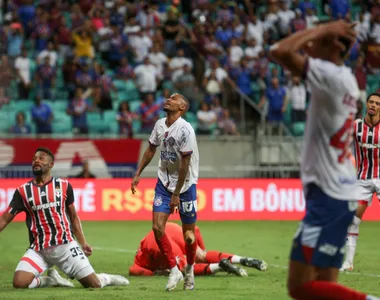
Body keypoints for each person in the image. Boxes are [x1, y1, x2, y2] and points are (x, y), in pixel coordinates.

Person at [270, 20, 380, 299]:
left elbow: (279, 51)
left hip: (328, 199)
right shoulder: (346, 79)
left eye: (316, 41)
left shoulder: (329, 74)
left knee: (299, 287)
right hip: (340, 195)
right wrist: (324, 34)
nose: (308, 45)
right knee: (325, 286)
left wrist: (322, 29)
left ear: (331, 44)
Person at [0, 148, 129, 289]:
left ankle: (107, 278)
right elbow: (5, 219)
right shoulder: (23, 192)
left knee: (94, 284)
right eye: (34, 159)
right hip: (39, 249)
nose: (36, 160)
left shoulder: (63, 186)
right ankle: (51, 281)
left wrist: (83, 242)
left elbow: (73, 217)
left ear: (51, 164)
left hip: (66, 246)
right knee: (19, 283)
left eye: (41, 158)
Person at [131, 93, 199, 291]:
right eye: (169, 97)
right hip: (164, 181)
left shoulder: (186, 130)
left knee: (188, 234)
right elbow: (151, 149)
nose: (169, 99)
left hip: (185, 185)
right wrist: (138, 173)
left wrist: (177, 194)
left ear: (182, 108)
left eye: (174, 99)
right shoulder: (160, 124)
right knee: (157, 227)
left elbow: (185, 163)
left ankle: (190, 269)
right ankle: (174, 270)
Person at [129, 222, 267, 277]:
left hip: (159, 243)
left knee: (185, 269)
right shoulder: (143, 251)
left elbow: (133, 270)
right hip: (171, 228)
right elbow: (196, 230)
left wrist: (156, 274)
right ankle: (241, 259)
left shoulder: (143, 260)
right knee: (201, 255)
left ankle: (219, 266)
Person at [341, 93, 380, 272]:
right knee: (353, 221)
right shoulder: (356, 126)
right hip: (362, 179)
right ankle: (348, 263)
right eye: (371, 102)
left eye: (377, 103)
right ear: (366, 104)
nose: (373, 105)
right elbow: (342, 145)